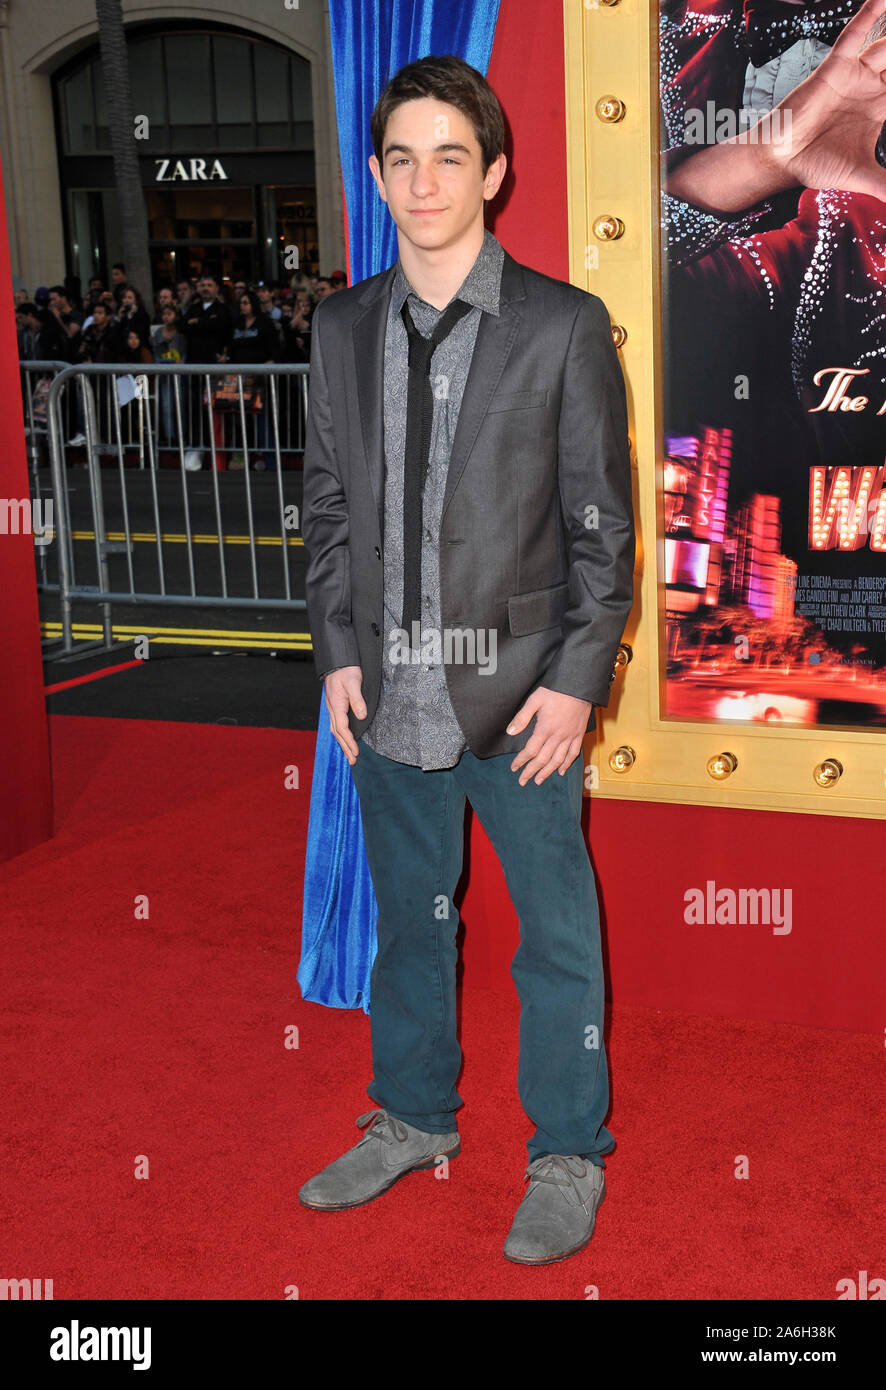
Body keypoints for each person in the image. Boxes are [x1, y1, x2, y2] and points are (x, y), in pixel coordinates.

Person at [299, 55, 634, 1265]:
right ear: (377, 175)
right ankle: (411, 1117)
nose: (424, 178)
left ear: (492, 171)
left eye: (451, 154)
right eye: (402, 157)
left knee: (553, 934)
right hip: (389, 686)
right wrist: (338, 651)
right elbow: (329, 507)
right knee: (409, 921)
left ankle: (564, 1152)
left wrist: (577, 680)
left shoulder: (562, 325)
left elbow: (605, 531)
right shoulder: (339, 326)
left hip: (523, 692)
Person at [180, 274, 234, 469]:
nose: (205, 288)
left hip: (215, 368)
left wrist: (198, 324)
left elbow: (221, 328)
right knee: (194, 408)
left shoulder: (223, 310)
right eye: (202, 285)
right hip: (194, 367)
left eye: (209, 285)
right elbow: (183, 326)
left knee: (216, 408)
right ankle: (197, 446)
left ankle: (218, 449)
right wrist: (202, 323)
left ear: (217, 288)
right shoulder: (192, 309)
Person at [152, 303, 187, 444]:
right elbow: (155, 352)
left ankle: (182, 438)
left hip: (179, 374)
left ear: (176, 316)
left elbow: (184, 352)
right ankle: (170, 438)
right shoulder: (158, 332)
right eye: (164, 314)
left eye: (169, 314)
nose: (166, 317)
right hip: (164, 374)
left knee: (180, 407)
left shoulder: (181, 332)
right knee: (166, 407)